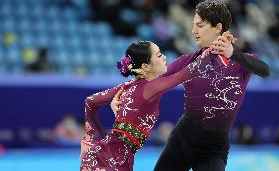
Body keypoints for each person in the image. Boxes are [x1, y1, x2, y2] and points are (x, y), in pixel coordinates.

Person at [111, 0, 270, 171]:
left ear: (218, 27)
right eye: (194, 25)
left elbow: (265, 71)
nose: (194, 31)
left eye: (200, 25)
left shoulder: (241, 62)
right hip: (182, 140)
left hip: (213, 149)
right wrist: (120, 95)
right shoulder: (187, 61)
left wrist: (234, 53)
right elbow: (149, 81)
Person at [80, 40, 224, 171]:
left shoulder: (127, 86)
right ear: (145, 66)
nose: (165, 57)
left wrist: (91, 139)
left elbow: (90, 102)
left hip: (108, 156)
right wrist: (215, 53)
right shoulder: (151, 88)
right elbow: (187, 73)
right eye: (159, 55)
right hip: (109, 160)